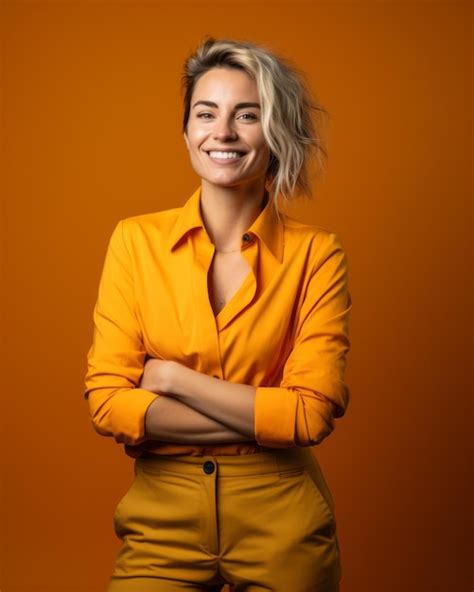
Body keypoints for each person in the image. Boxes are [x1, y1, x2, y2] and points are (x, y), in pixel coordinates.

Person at [84, 36, 352, 592]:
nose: (223, 132)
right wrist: (267, 420)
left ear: (275, 134)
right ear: (186, 132)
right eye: (206, 114)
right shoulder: (135, 242)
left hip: (284, 520)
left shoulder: (317, 254)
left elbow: (311, 416)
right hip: (160, 520)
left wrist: (170, 379)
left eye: (246, 115)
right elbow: (108, 402)